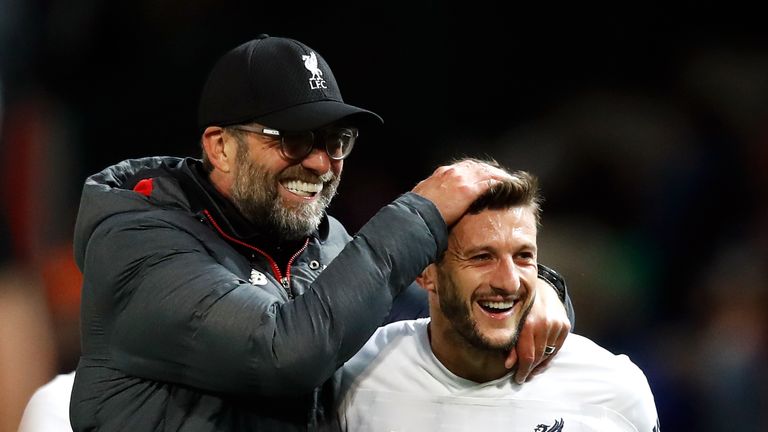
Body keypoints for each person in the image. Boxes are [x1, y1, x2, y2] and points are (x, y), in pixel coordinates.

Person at [69, 35, 573, 431]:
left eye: (335, 141)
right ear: (221, 148)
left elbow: (451, 320)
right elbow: (282, 351)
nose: (318, 162)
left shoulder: (324, 245)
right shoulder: (140, 243)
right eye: (292, 139)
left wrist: (538, 292)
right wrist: (419, 214)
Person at [337, 165, 660, 432]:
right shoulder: (356, 375)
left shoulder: (613, 391)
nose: (508, 282)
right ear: (426, 273)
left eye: (523, 257)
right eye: (481, 258)